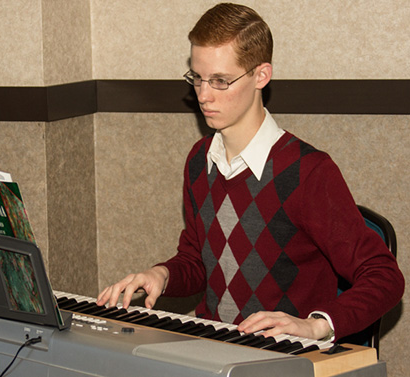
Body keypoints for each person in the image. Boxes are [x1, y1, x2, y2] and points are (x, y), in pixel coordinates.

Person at [96, 2, 404, 342]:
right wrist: (162, 274)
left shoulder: (307, 172)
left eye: (220, 81)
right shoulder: (200, 161)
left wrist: (316, 325)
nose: (203, 94)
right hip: (216, 349)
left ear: (261, 75)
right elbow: (200, 261)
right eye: (197, 78)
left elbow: (384, 277)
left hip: (286, 359)